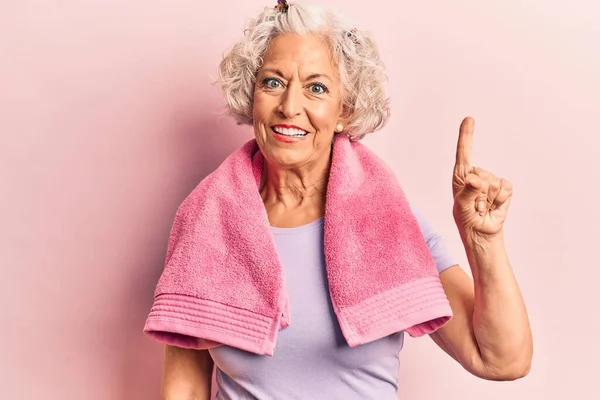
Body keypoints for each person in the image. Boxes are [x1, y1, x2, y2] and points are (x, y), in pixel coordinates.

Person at [146, 2, 533, 399]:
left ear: (344, 110)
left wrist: (482, 241)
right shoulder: (206, 222)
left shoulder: (391, 223)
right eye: (273, 82)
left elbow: (502, 360)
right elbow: (186, 389)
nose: (289, 107)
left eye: (316, 88)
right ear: (252, 95)